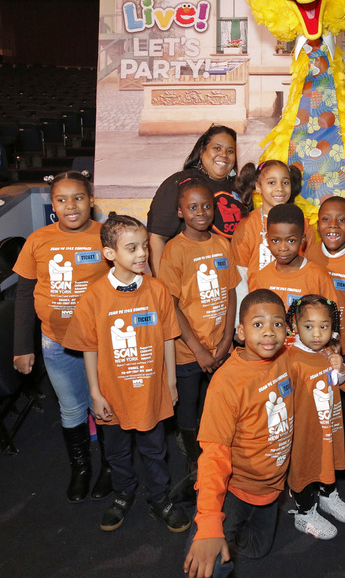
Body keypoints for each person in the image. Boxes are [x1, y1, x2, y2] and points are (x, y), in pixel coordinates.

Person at [63, 213, 190, 532]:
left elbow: (167, 338)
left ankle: (160, 498)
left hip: (151, 389)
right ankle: (122, 494)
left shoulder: (157, 290)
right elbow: (88, 346)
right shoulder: (93, 296)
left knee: (154, 449)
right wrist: (95, 392)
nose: (142, 254)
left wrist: (171, 381)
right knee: (117, 452)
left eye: (144, 246)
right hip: (112, 392)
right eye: (131, 248)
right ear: (109, 253)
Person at [12, 171, 112, 503]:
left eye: (79, 198)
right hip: (55, 343)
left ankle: (109, 469)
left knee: (105, 406)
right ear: (52, 204)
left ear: (91, 200)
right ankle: (80, 468)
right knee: (71, 409)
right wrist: (22, 347)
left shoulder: (106, 237)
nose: (71, 206)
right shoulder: (37, 240)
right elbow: (25, 296)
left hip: (100, 344)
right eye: (62, 199)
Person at [183, 289, 294, 578]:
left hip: (271, 487)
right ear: (241, 332)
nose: (269, 333)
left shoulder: (287, 357)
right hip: (233, 486)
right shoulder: (226, 383)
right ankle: (198, 500)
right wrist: (209, 523)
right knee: (209, 564)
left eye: (278, 324)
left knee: (257, 550)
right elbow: (215, 454)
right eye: (258, 325)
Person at [158, 178, 239, 485]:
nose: (201, 212)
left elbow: (230, 292)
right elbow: (172, 306)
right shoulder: (174, 250)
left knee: (218, 403)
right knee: (188, 406)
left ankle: (219, 449)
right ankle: (193, 456)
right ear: (181, 212)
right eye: (192, 207)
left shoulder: (222, 244)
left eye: (206, 206)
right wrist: (198, 348)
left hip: (221, 345)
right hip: (188, 351)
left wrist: (227, 338)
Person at [286, 295, 345, 540]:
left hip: (330, 426)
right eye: (309, 326)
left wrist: (342, 369)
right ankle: (304, 513)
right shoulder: (290, 360)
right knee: (304, 470)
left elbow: (340, 382)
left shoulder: (328, 353)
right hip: (304, 434)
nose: (317, 334)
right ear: (294, 326)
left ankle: (328, 496)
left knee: (329, 461)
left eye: (324, 327)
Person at [147, 125, 247, 275]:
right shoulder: (181, 184)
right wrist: (163, 286)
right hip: (191, 277)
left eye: (230, 151)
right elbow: (156, 237)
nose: (224, 155)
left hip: (232, 278)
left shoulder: (239, 188)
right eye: (217, 148)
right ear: (202, 151)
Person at [232, 160, 314, 301]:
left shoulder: (304, 223)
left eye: (285, 182)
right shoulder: (247, 226)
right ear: (258, 187)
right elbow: (240, 275)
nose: (280, 188)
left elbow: (312, 267)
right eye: (271, 182)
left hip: (295, 301)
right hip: (259, 306)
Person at [305, 196, 345, 356]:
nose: (333, 225)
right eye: (326, 219)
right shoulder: (311, 253)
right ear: (318, 224)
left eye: (341, 220)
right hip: (315, 344)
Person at [250, 203, 336, 310]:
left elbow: (332, 318)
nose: (283, 248)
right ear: (267, 239)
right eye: (275, 240)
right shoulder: (262, 277)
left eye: (291, 240)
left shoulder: (318, 277)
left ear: (302, 239)